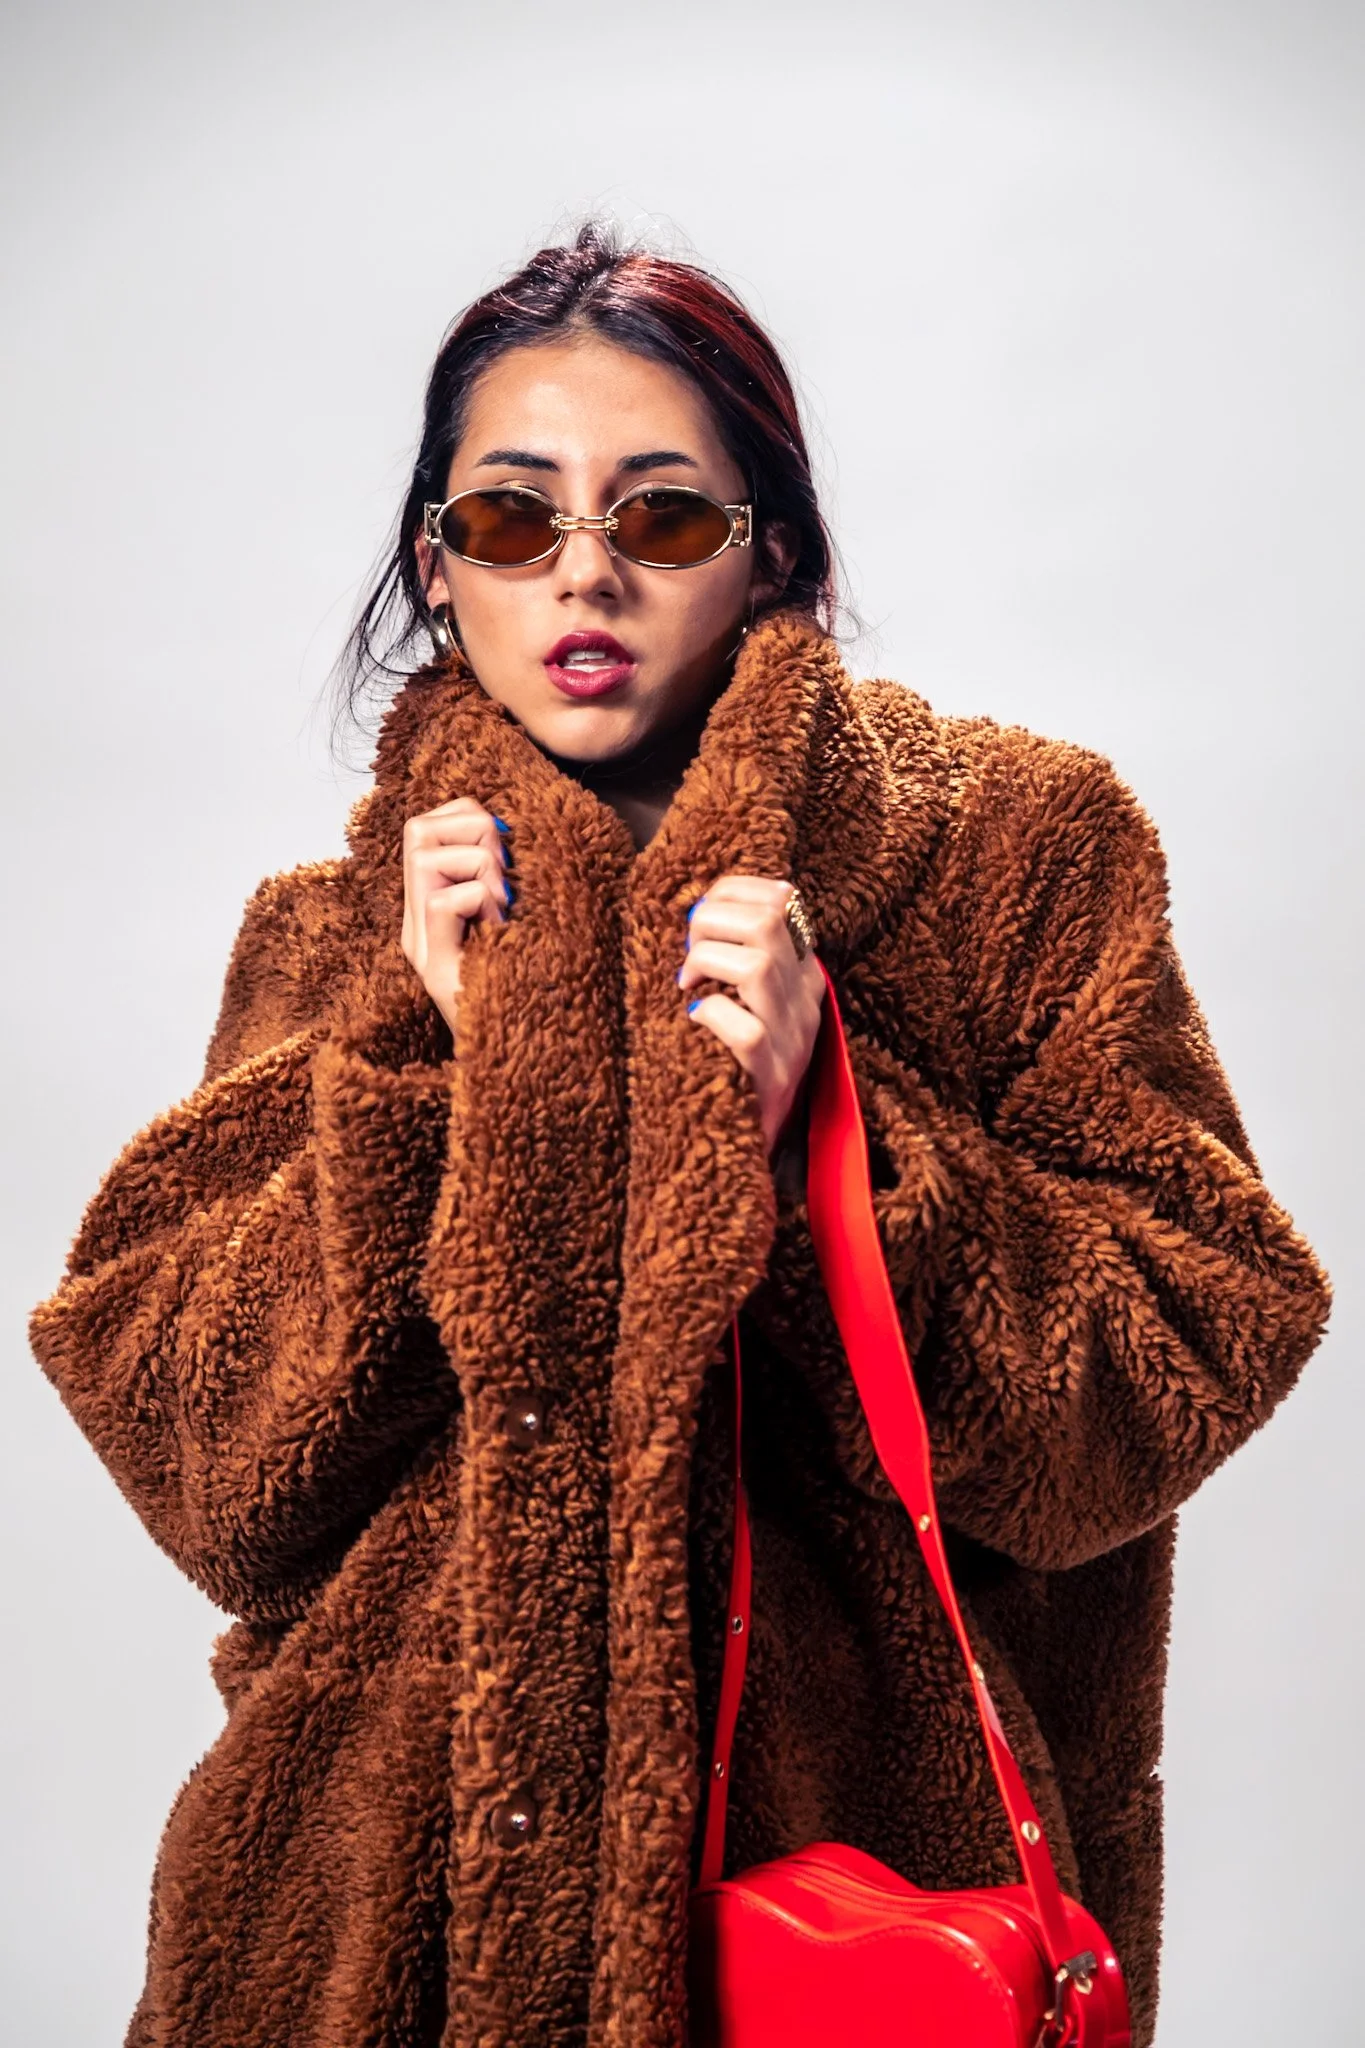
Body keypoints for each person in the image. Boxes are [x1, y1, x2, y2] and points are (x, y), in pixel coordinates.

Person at [28, 221, 1332, 2048]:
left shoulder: (1017, 856)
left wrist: (845, 1149)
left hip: (860, 1916)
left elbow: (1186, 1347)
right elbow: (211, 1467)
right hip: (359, 1941)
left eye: (660, 518)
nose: (587, 575)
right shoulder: (335, 937)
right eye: (510, 521)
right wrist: (421, 1063)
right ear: (438, 568)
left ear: (769, 546)